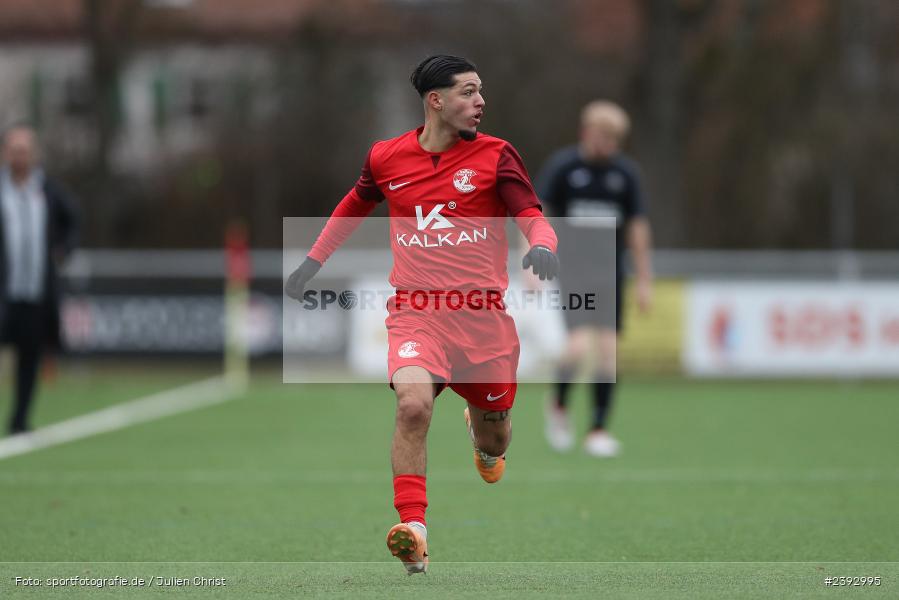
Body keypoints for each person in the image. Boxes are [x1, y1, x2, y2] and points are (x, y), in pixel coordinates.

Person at [285, 55, 559, 574]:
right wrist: (311, 262)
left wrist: (542, 243)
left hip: (483, 321)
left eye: (481, 92)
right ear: (436, 101)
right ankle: (414, 529)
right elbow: (354, 205)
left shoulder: (497, 156)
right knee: (412, 407)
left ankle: (484, 443)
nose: (480, 102)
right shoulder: (386, 158)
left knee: (495, 439)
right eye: (468, 92)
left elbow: (530, 212)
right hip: (417, 311)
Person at [536, 100, 653, 457]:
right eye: (604, 137)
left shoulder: (626, 174)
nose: (610, 146)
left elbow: (636, 226)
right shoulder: (564, 167)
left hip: (610, 272)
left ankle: (598, 430)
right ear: (587, 133)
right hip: (572, 270)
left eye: (616, 140)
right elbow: (537, 212)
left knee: (607, 354)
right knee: (576, 348)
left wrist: (645, 278)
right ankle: (558, 404)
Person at [1, 124, 79, 435]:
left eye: (26, 150)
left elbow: (74, 222)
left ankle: (19, 420)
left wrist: (63, 251)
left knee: (30, 357)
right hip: (3, 292)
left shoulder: (48, 191)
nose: (20, 156)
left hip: (35, 291)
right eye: (15, 150)